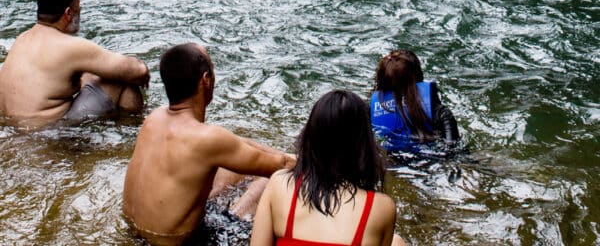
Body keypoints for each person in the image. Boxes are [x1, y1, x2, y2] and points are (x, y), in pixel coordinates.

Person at [122, 42, 295, 246]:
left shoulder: (154, 119)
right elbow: (282, 166)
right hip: (182, 243)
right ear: (205, 80)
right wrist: (304, 160)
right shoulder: (208, 139)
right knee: (269, 181)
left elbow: (238, 144)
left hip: (135, 234)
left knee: (231, 167)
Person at [250, 90, 406, 246]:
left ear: (311, 137)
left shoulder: (279, 183)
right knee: (397, 242)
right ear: (364, 145)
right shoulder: (381, 207)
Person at [0, 0, 149, 126]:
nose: (81, 6)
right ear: (68, 13)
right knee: (121, 77)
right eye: (79, 3)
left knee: (95, 72)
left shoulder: (22, 39)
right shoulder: (68, 46)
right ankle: (137, 130)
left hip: (17, 130)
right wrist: (141, 69)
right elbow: (137, 70)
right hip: (51, 134)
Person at [370, 50, 459, 154]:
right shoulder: (441, 114)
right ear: (418, 81)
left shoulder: (369, 111)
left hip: (390, 162)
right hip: (431, 162)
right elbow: (453, 153)